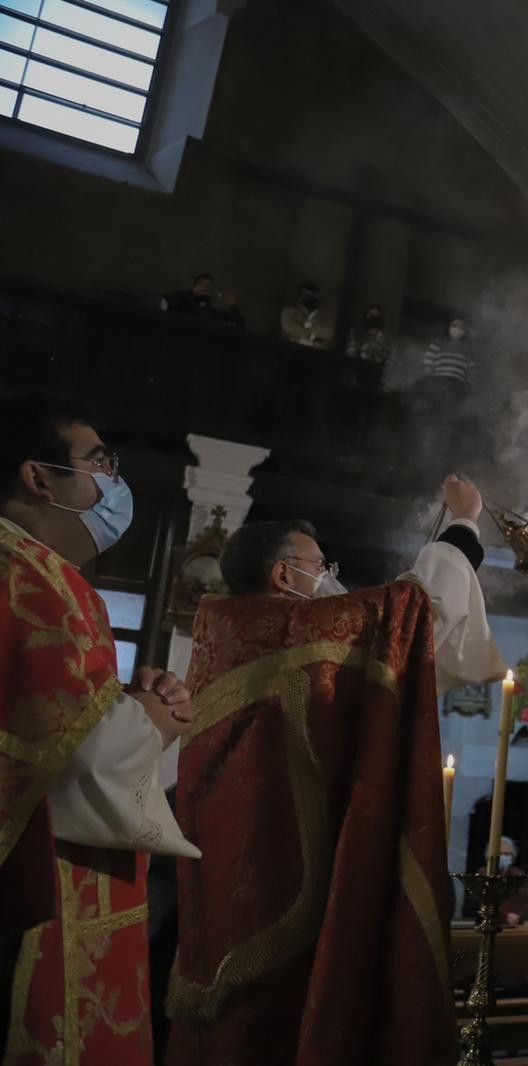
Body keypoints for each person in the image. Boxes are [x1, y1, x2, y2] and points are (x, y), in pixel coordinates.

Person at [166, 475, 507, 1066]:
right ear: (282, 576)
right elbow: (418, 610)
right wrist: (462, 524)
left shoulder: (226, 639)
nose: (330, 576)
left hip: (238, 887)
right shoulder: (292, 634)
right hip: (290, 887)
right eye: (320, 564)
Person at [0, 393, 200, 1066]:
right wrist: (153, 722)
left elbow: (45, 724)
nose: (113, 482)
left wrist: (129, 705)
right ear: (38, 477)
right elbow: (75, 768)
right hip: (31, 900)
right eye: (97, 462)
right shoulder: (26, 583)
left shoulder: (41, 576)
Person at [160, 273, 244, 328]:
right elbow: (166, 301)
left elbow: (240, 327)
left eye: (209, 286)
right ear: (194, 287)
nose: (205, 287)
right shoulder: (184, 305)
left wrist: (233, 306)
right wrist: (191, 291)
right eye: (201, 284)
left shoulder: (214, 313)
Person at [279, 282, 334, 349]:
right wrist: (312, 337)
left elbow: (328, 333)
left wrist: (301, 326)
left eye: (312, 295)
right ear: (300, 297)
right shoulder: (289, 312)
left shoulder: (323, 316)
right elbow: (288, 327)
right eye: (306, 294)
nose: (309, 297)